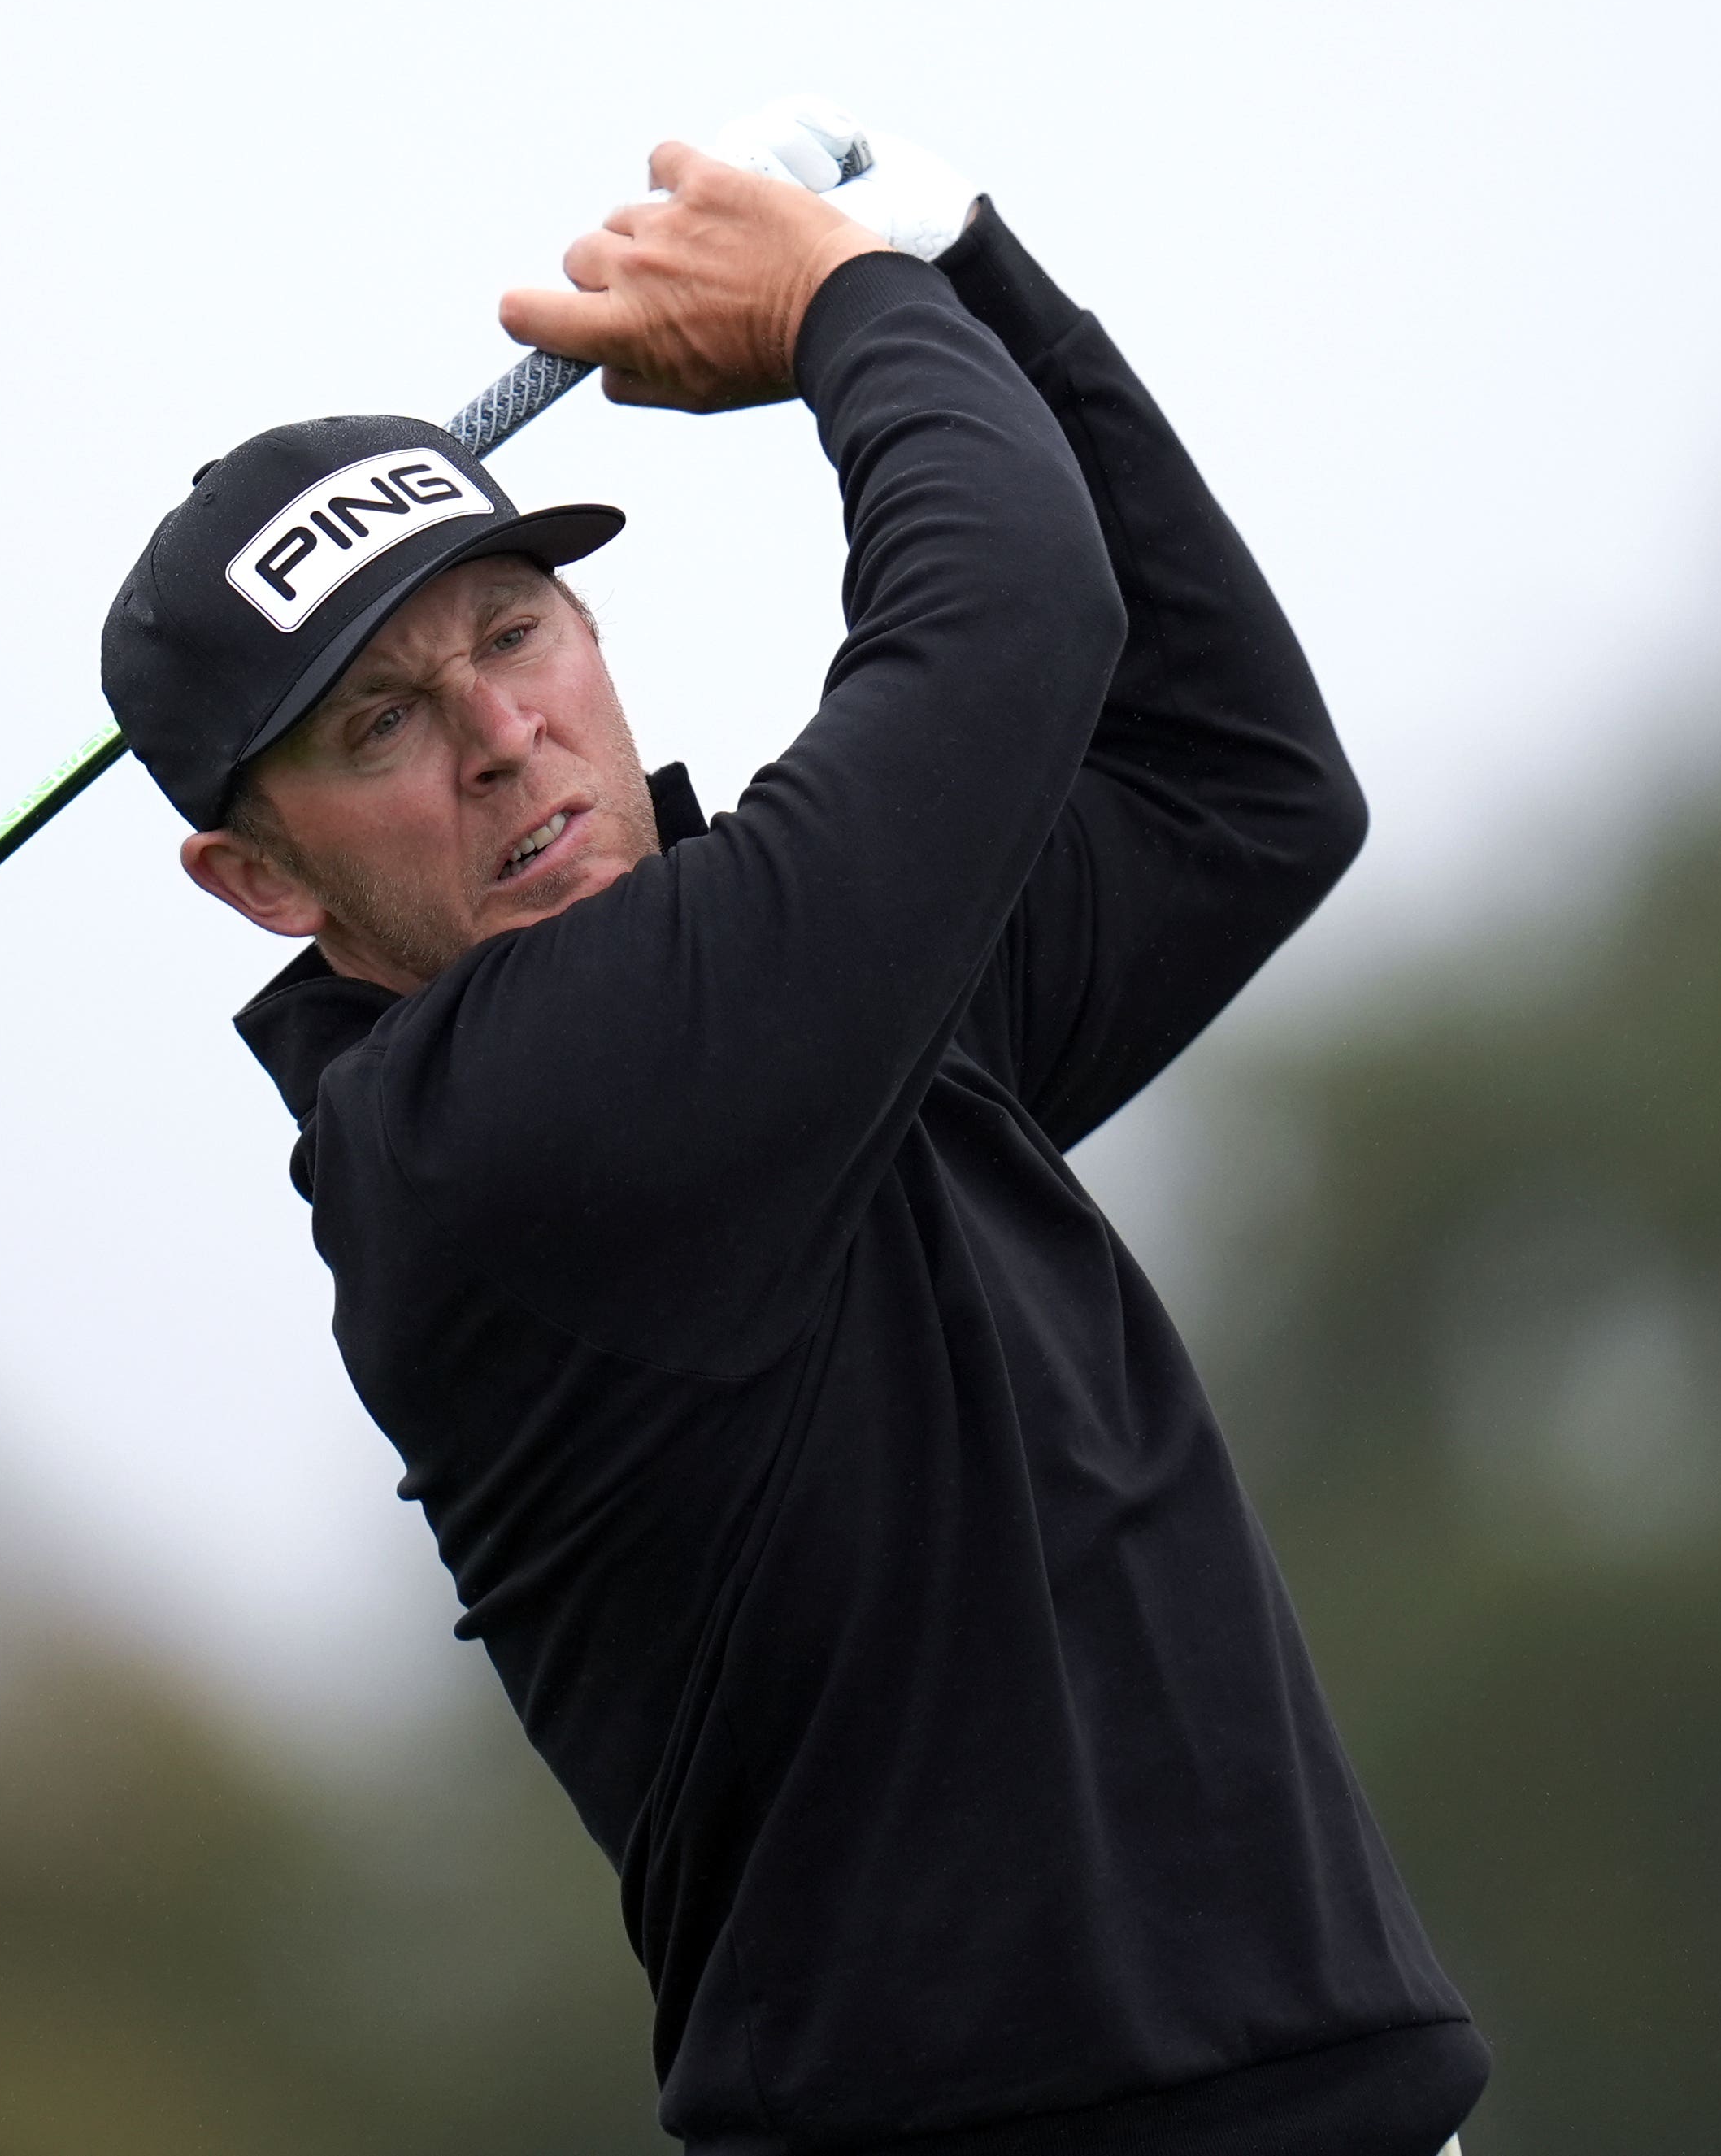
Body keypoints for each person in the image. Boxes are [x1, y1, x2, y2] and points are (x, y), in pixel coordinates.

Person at [98, 106, 1487, 2156]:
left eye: (513, 630)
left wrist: (966, 266)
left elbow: (1235, 787)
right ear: (261, 881)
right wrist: (851, 303)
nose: (501, 736)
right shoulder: (505, 1133)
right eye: (377, 724)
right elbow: (1006, 625)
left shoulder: (791, 1005)